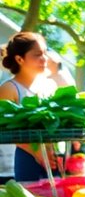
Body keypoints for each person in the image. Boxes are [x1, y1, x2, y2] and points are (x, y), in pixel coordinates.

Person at [1, 32, 55, 182]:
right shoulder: (9, 89)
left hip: (46, 162)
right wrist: (36, 153)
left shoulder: (48, 86)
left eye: (45, 53)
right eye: (37, 54)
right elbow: (6, 129)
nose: (44, 59)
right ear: (19, 59)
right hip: (11, 169)